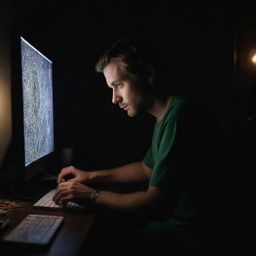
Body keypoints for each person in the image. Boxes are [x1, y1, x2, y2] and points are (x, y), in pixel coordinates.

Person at [53, 37, 225, 255]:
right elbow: (146, 169)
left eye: (118, 85)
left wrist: (91, 195)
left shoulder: (180, 118)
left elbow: (156, 204)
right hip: (172, 233)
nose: (114, 98)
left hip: (186, 242)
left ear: (147, 75)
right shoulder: (167, 114)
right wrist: (90, 176)